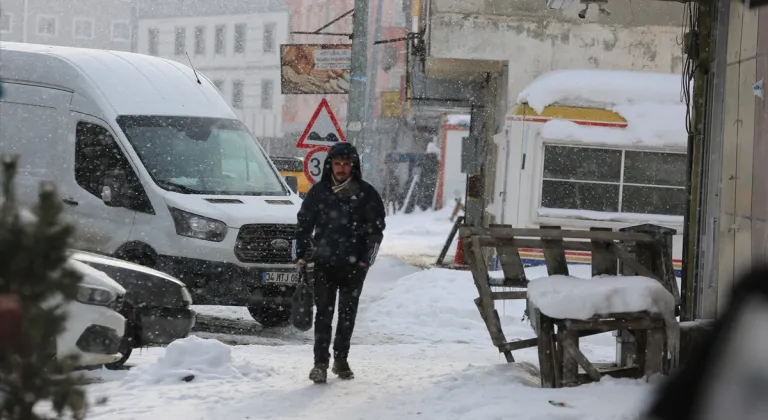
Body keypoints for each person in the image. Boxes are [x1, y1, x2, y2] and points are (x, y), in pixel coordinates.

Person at [292, 142, 386, 384]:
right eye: (337, 163)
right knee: (323, 314)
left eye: (346, 164)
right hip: (324, 263)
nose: (341, 168)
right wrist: (301, 255)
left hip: (354, 266)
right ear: (330, 165)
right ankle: (320, 364)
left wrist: (366, 261)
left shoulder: (367, 193)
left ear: (353, 166)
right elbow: (303, 225)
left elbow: (377, 230)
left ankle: (341, 359)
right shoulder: (318, 192)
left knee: (347, 314)